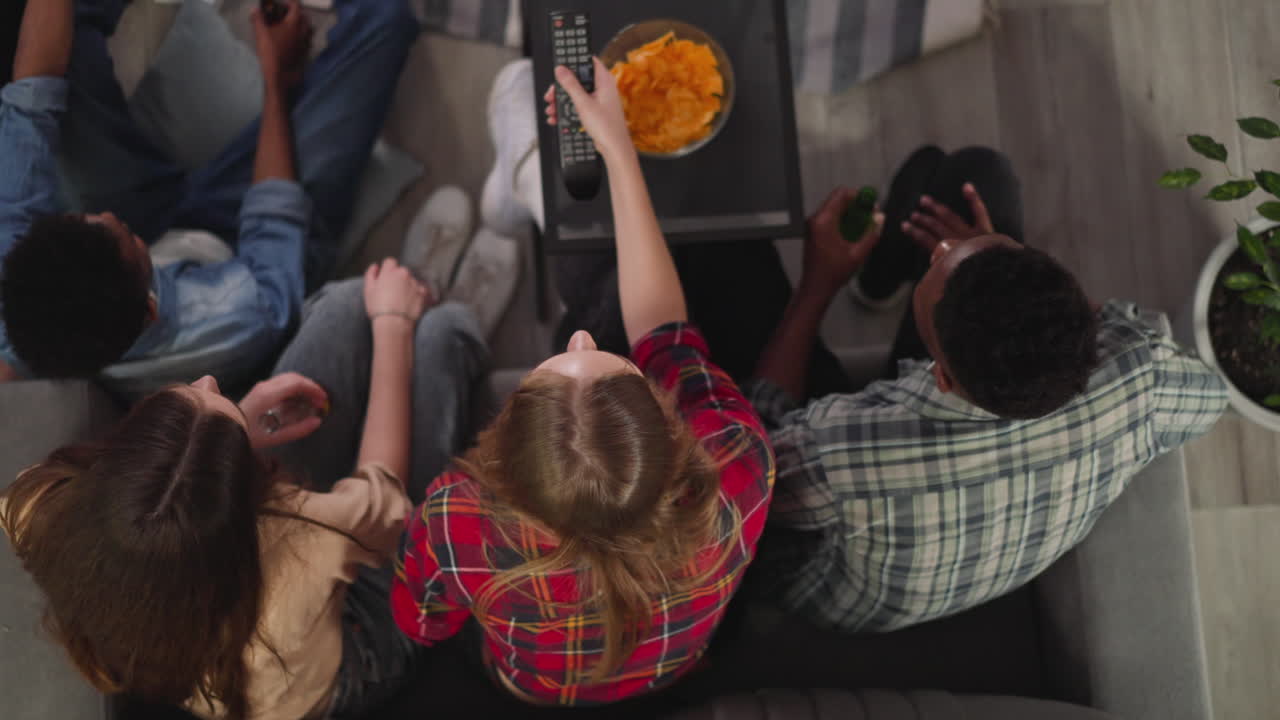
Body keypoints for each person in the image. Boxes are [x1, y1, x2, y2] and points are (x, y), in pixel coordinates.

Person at [390, 59, 775, 706]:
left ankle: (483, 251)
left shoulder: (458, 516)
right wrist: (617, 150)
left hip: (530, 688)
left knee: (466, 333)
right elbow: (667, 334)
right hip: (668, 670)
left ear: (501, 465)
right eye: (602, 361)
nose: (581, 339)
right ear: (669, 430)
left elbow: (420, 623)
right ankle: (515, 199)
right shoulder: (738, 461)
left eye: (552, 370)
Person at [743, 145, 1230, 633]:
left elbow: (749, 478)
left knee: (735, 255)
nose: (942, 248)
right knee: (977, 173)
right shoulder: (1141, 377)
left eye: (937, 266)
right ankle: (880, 274)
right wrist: (994, 256)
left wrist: (817, 284)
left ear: (940, 375)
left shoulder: (840, 448)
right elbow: (1213, 398)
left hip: (837, 594)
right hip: (973, 517)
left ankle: (867, 272)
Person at [1, 242, 490, 718]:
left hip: (241, 601)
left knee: (345, 303)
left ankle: (415, 296)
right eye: (215, 401)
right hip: (349, 653)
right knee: (442, 334)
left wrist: (234, 428)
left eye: (196, 398)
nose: (210, 383)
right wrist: (394, 326)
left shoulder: (41, 504)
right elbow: (382, 499)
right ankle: (444, 306)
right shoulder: (301, 542)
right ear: (246, 500)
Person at [0, 0, 417, 396]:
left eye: (86, 219)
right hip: (239, 242)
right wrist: (277, 79)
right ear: (150, 308)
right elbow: (274, 213)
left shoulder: (21, 267)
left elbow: (33, 97)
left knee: (54, 37)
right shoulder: (233, 319)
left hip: (155, 222)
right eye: (123, 235)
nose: (108, 215)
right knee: (387, 22)